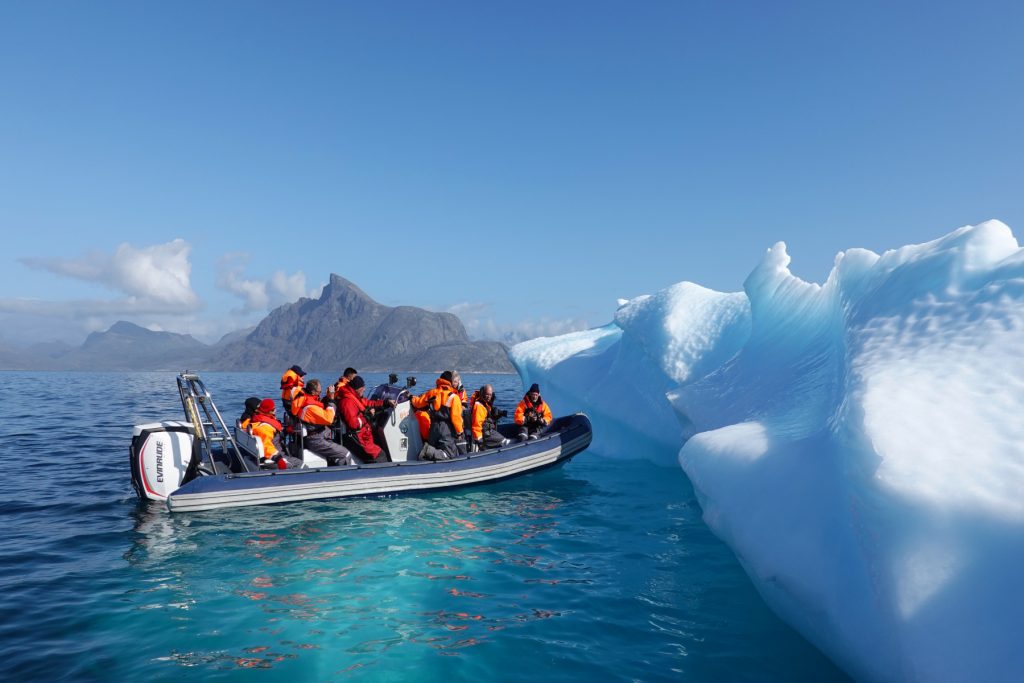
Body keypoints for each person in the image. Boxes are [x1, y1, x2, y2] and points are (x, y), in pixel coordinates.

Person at [290, 379, 355, 466]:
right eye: (319, 392)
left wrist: (328, 397)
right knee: (345, 454)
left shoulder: (307, 400)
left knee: (337, 453)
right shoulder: (310, 408)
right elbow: (329, 419)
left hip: (319, 435)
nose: (319, 394)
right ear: (313, 392)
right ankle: (343, 475)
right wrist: (331, 400)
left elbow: (320, 408)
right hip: (315, 439)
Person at [338, 375, 395, 463]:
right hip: (356, 438)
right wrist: (367, 416)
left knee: (379, 445)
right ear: (357, 388)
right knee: (380, 455)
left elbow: (368, 403)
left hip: (363, 435)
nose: (364, 389)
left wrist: (386, 403)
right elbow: (353, 424)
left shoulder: (354, 397)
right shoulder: (347, 402)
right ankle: (381, 474)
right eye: (362, 387)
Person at [410, 370, 464, 460]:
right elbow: (456, 418)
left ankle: (428, 453)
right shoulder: (454, 397)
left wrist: (411, 398)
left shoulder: (432, 392)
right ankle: (427, 450)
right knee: (449, 454)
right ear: (450, 381)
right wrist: (459, 433)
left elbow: (418, 403)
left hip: (433, 427)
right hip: (446, 429)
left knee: (434, 449)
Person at [468, 384, 511, 451]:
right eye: (487, 394)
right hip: (485, 434)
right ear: (483, 393)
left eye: (490, 395)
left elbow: (489, 413)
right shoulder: (479, 406)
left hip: (488, 431)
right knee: (505, 442)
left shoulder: (486, 403)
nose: (488, 397)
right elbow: (476, 425)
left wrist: (500, 413)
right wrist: (480, 441)